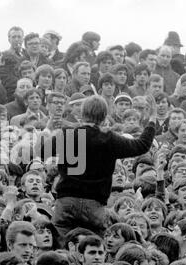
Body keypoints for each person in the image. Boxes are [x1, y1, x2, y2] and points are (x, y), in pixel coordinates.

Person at [37, 95, 156, 240]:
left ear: (82, 113)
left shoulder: (67, 135)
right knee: (94, 247)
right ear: (104, 116)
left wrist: (48, 129)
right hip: (94, 205)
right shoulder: (110, 139)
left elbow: (42, 152)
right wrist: (151, 121)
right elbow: (141, 145)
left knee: (59, 246)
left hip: (66, 202)